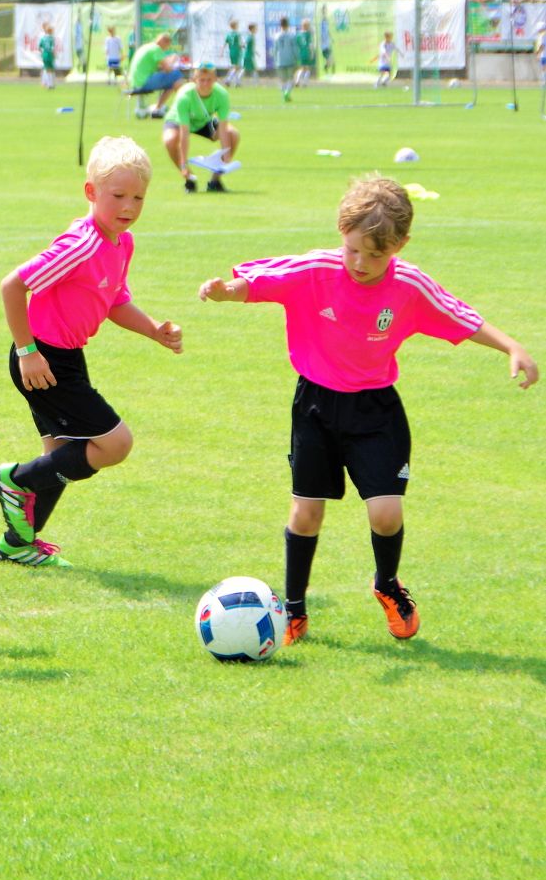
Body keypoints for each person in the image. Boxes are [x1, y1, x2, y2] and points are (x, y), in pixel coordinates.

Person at [197, 176, 536, 646]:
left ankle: (387, 584)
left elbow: (459, 315)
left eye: (376, 255)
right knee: (306, 513)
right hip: (316, 406)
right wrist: (226, 291)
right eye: (353, 250)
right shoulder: (315, 269)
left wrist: (511, 346)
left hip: (376, 410)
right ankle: (293, 609)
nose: (361, 263)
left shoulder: (409, 285)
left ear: (400, 245)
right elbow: (257, 282)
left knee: (386, 512)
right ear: (342, 232)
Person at [0, 137, 182, 567]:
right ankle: (15, 481)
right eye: (118, 195)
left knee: (60, 454)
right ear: (91, 192)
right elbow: (13, 285)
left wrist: (154, 330)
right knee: (115, 444)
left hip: (67, 358)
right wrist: (27, 351)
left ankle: (18, 543)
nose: (128, 206)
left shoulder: (121, 243)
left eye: (138, 197)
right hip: (43, 360)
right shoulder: (82, 245)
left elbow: (115, 301)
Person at [163, 64, 241, 193]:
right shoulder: (185, 96)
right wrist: (184, 164)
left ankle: (215, 181)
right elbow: (184, 133)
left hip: (203, 121)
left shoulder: (221, 95)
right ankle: (189, 178)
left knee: (232, 134)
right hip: (178, 121)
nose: (205, 84)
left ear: (215, 79)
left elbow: (223, 128)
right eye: (202, 80)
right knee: (170, 140)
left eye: (209, 80)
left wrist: (226, 157)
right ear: (194, 80)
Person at [128, 33, 183, 117]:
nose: (166, 49)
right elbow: (168, 69)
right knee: (177, 74)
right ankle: (182, 106)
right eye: (168, 46)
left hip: (135, 82)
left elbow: (159, 66)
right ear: (165, 42)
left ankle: (158, 107)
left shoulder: (146, 47)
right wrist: (172, 60)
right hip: (143, 81)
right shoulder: (156, 49)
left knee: (173, 83)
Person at [274, 16, 297, 100]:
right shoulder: (291, 36)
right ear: (288, 25)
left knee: (282, 79)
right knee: (291, 78)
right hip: (290, 59)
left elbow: (275, 49)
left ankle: (284, 94)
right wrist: (296, 57)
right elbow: (294, 48)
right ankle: (287, 92)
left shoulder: (277, 36)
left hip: (280, 60)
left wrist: (275, 59)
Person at [294, 18, 316, 89]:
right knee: (307, 69)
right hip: (307, 52)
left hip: (300, 53)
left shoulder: (298, 34)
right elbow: (310, 44)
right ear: (307, 26)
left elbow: (296, 45)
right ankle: (305, 83)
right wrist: (312, 53)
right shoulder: (308, 34)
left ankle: (297, 81)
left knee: (302, 68)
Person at [223, 19, 244, 87]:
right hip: (237, 52)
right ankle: (228, 80)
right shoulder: (237, 34)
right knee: (238, 68)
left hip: (231, 52)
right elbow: (240, 44)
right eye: (237, 25)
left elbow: (225, 44)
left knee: (236, 67)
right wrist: (244, 46)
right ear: (235, 26)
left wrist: (221, 52)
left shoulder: (228, 34)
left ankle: (237, 83)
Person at [39, 21, 57, 89]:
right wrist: (54, 54)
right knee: (50, 69)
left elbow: (39, 47)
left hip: (44, 54)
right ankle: (50, 84)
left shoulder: (43, 38)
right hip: (49, 54)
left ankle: (47, 83)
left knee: (46, 69)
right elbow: (52, 48)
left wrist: (42, 53)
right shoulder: (51, 38)